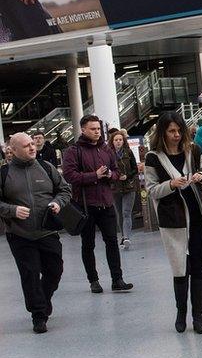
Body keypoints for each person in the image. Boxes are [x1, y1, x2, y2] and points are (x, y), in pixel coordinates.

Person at [144, 112, 202, 334]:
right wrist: (171, 184)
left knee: (197, 268)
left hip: (197, 218)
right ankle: (180, 314)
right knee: (179, 269)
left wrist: (200, 177)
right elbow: (151, 190)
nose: (176, 135)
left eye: (179, 130)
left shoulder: (193, 150)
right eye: (171, 131)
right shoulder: (153, 157)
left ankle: (198, 317)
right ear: (163, 133)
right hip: (173, 222)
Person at [0, 132, 71, 333]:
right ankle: (38, 315)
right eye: (26, 146)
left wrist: (57, 202)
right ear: (12, 151)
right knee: (30, 274)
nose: (32, 148)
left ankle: (43, 298)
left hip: (47, 230)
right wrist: (12, 210)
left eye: (32, 143)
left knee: (55, 271)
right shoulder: (4, 174)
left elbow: (65, 190)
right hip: (19, 234)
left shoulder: (47, 168)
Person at [61, 115, 134, 294]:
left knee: (112, 242)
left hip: (106, 203)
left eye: (98, 129)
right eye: (93, 129)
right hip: (86, 205)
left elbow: (117, 172)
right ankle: (93, 280)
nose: (97, 132)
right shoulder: (74, 151)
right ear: (83, 130)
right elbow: (70, 176)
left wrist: (110, 175)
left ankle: (117, 279)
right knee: (88, 244)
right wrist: (95, 175)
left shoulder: (105, 149)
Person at [110, 130, 139, 249]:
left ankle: (126, 237)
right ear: (112, 141)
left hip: (129, 186)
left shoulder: (128, 152)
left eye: (120, 140)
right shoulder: (109, 154)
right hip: (115, 187)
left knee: (126, 212)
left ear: (123, 141)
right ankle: (123, 236)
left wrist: (127, 176)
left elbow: (135, 169)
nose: (118, 142)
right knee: (119, 213)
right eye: (116, 140)